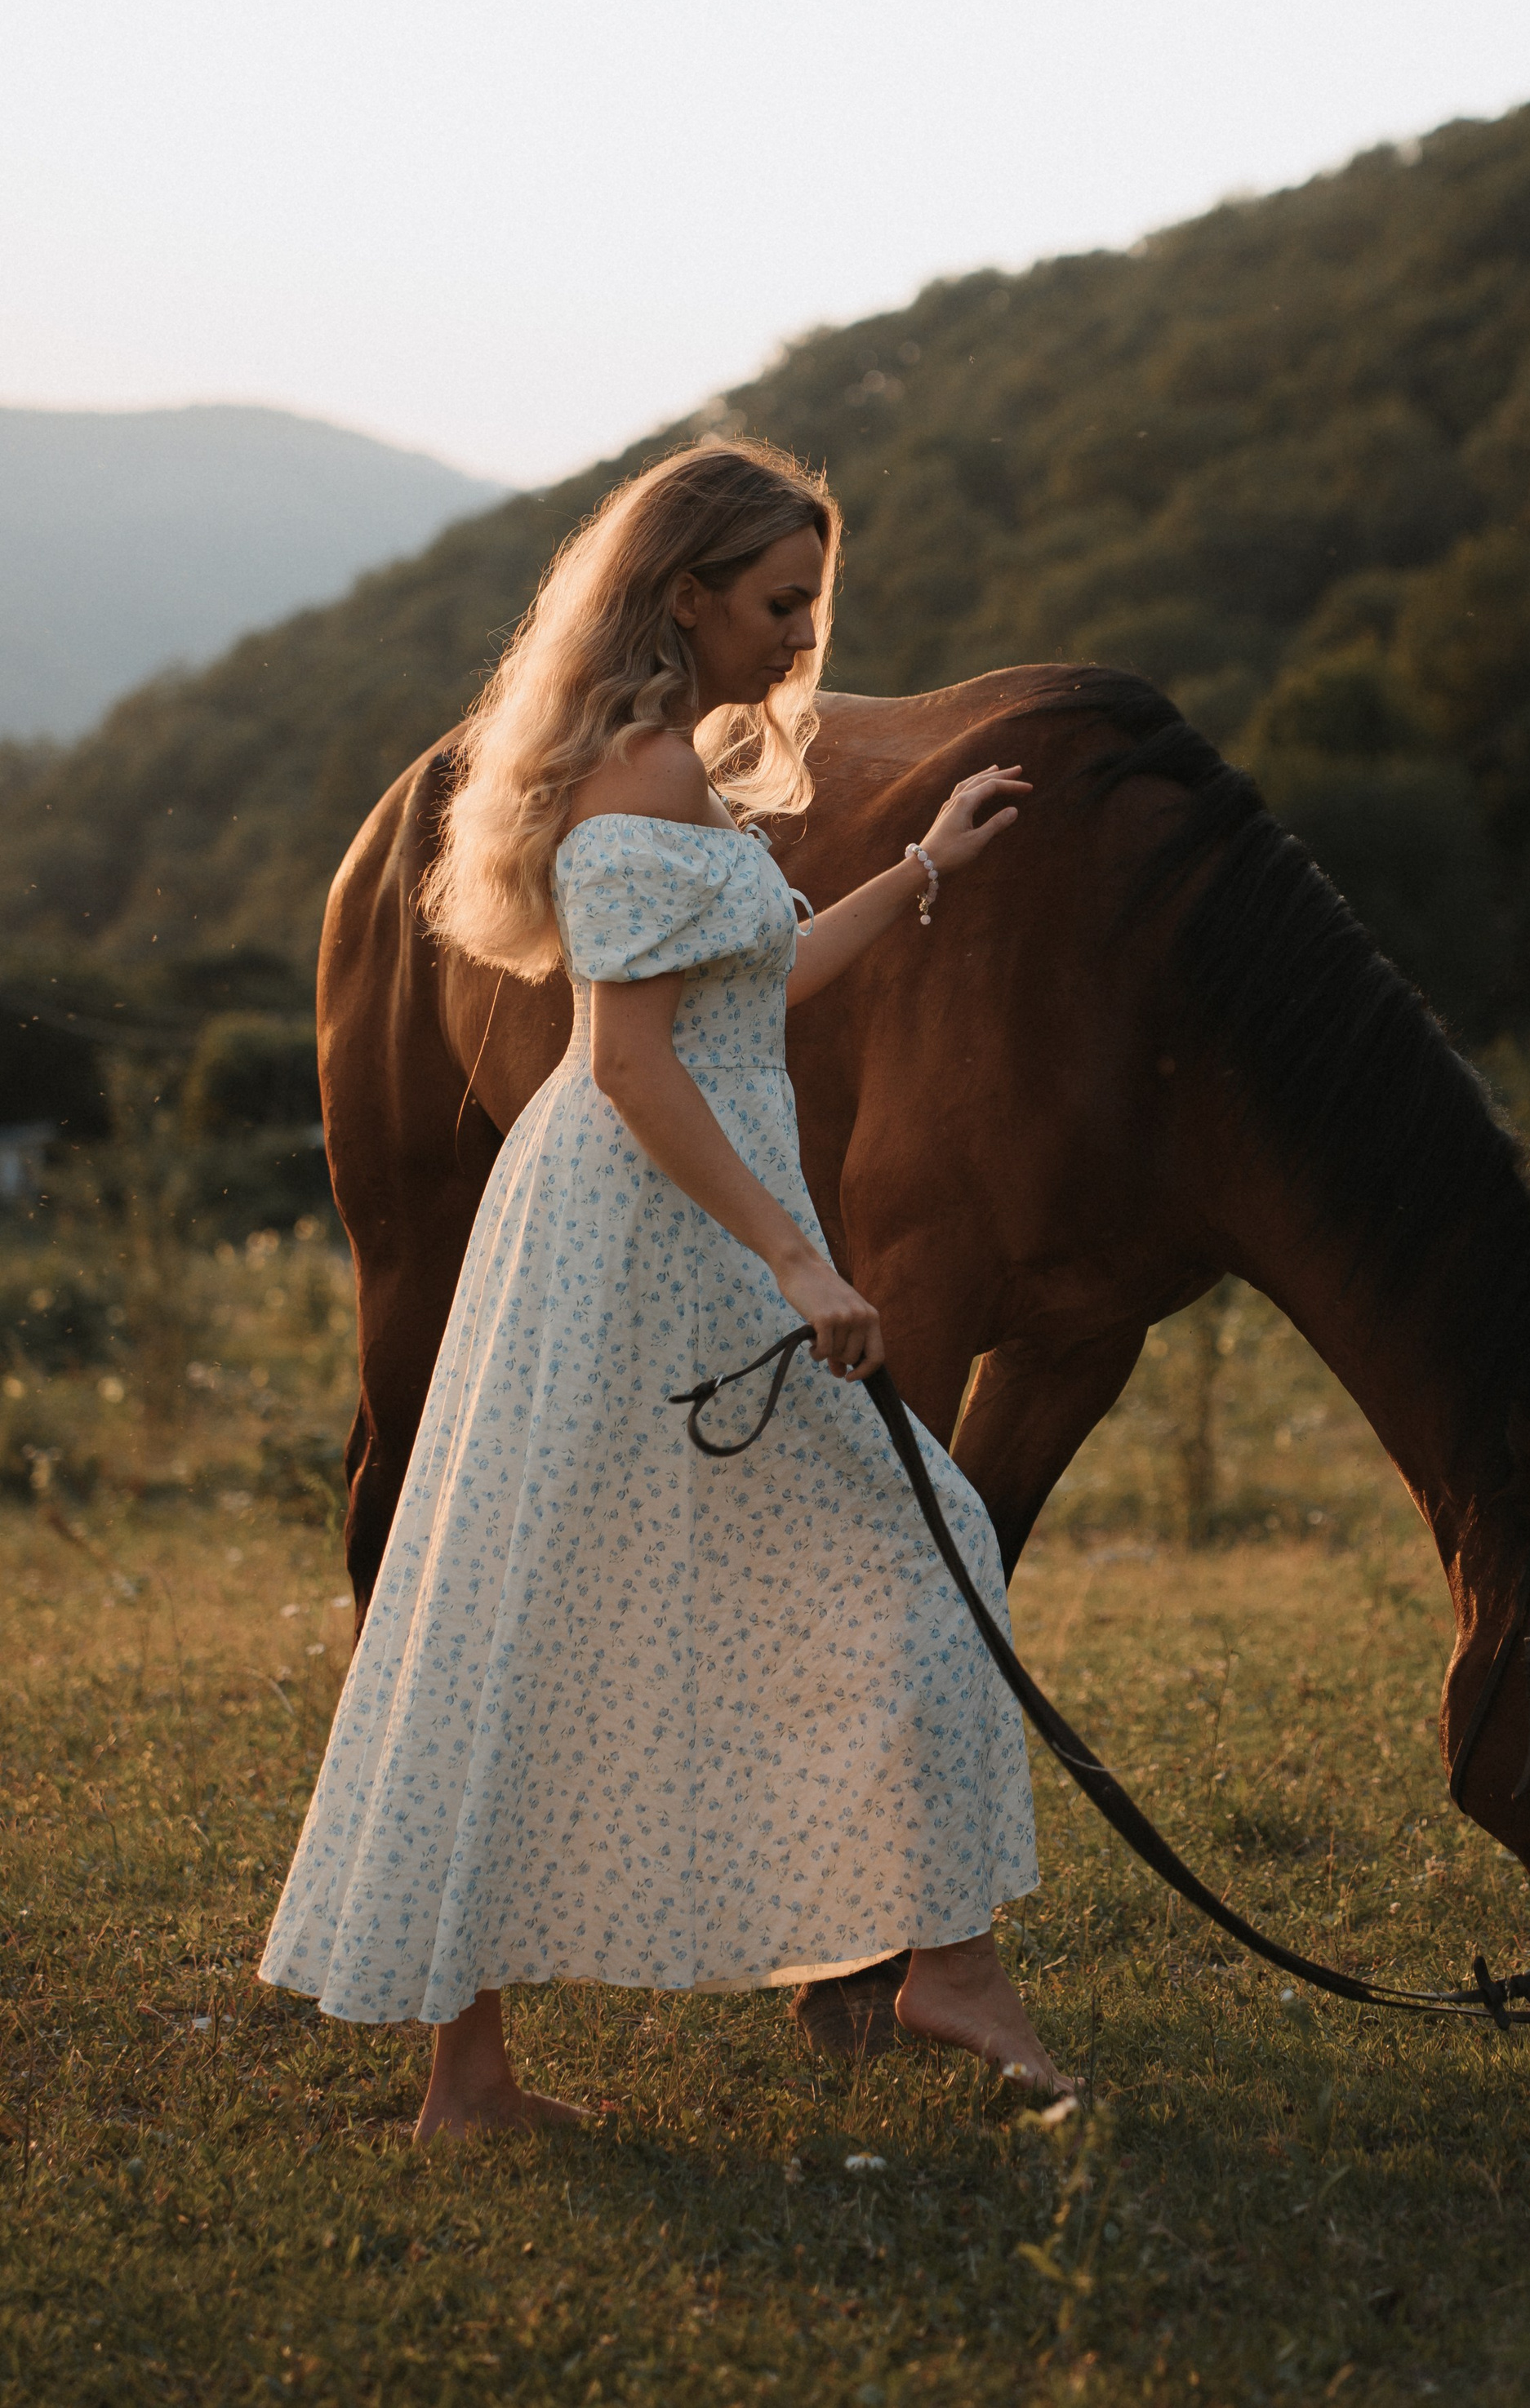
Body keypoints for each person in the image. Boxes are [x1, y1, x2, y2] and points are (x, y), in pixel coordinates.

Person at [259, 436, 1069, 2137]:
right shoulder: (631, 790)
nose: (798, 642)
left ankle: (929, 1962)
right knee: (576, 1603)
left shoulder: (674, 779)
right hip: (641, 1234)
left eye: (811, 605)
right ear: (682, 595)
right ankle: (502, 2068)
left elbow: (746, 989)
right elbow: (627, 1063)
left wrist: (927, 867)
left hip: (698, 1214)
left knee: (869, 1547)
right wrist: (794, 1253)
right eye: (777, 605)